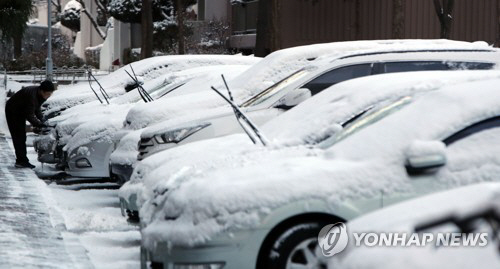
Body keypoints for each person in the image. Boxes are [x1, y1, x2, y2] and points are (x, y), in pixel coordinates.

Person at [5, 80, 54, 168]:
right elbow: (29, 114)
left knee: (22, 136)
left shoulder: (39, 94)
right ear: (41, 91)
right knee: (19, 136)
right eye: (47, 94)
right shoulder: (31, 96)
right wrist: (39, 124)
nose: (48, 96)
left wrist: (42, 119)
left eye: (50, 94)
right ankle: (21, 161)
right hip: (13, 111)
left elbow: (37, 108)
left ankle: (22, 160)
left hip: (20, 110)